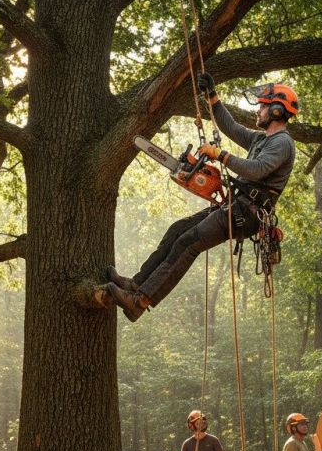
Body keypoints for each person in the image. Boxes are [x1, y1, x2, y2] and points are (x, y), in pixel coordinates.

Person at [104, 73, 298, 321]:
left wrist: (220, 154)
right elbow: (231, 127)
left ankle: (140, 301)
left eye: (263, 106)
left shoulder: (282, 143)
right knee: (178, 230)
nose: (259, 110)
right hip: (237, 205)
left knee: (189, 242)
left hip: (248, 214)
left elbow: (256, 169)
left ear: (277, 111)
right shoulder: (262, 138)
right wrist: (213, 98)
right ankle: (135, 284)